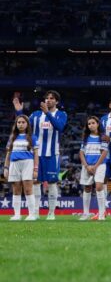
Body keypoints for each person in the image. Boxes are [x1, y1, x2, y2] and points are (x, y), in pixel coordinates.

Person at [14, 90, 68, 220]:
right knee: (36, 182)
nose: (48, 100)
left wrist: (47, 113)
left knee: (52, 183)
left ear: (57, 101)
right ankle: (35, 213)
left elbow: (59, 127)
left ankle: (51, 213)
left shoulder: (61, 114)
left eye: (52, 98)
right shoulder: (35, 115)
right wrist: (19, 112)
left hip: (52, 154)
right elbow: (24, 126)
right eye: (47, 98)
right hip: (36, 154)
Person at [3, 115, 39, 221]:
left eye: (23, 122)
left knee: (28, 190)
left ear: (27, 124)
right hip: (14, 164)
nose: (21, 124)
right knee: (16, 190)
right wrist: (6, 167)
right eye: (19, 122)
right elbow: (8, 154)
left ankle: (32, 214)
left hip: (28, 163)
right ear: (16, 124)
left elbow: (36, 155)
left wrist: (36, 169)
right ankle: (17, 214)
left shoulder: (32, 137)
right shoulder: (12, 137)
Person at [79, 116, 108, 221]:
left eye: (93, 123)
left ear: (98, 124)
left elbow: (104, 153)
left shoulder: (103, 137)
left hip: (99, 166)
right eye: (89, 124)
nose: (91, 125)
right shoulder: (85, 138)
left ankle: (101, 214)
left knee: (99, 187)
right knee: (87, 188)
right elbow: (81, 153)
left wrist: (95, 166)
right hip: (87, 166)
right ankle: (86, 213)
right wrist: (87, 166)